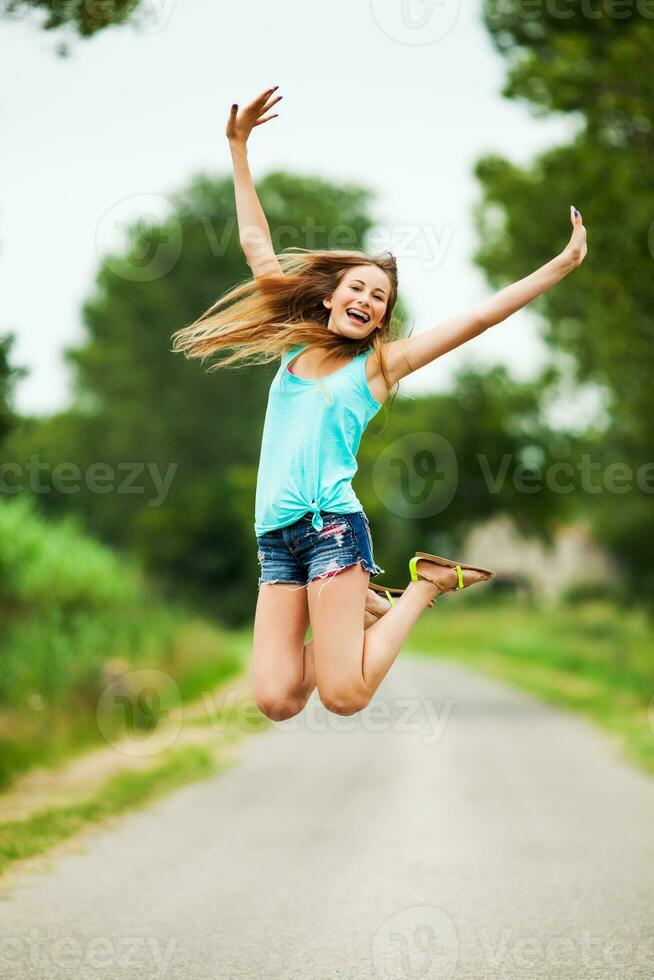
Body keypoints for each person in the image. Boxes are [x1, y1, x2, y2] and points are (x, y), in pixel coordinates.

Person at [171, 86, 588, 722]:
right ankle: (366, 602)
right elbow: (258, 245)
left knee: (345, 694)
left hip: (332, 529)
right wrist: (238, 148)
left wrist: (558, 266)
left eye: (381, 300)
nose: (368, 301)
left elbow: (475, 320)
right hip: (276, 540)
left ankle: (423, 587)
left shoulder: (378, 368)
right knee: (276, 698)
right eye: (358, 288)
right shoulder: (291, 348)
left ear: (380, 322)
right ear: (330, 297)